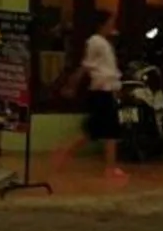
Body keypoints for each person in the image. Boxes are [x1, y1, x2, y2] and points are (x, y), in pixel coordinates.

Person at [52, 10, 128, 181]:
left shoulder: (104, 43)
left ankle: (66, 152)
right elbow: (86, 66)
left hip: (106, 91)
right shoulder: (95, 42)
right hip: (101, 91)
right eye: (110, 22)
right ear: (102, 24)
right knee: (107, 131)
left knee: (96, 130)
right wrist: (72, 85)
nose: (112, 25)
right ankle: (109, 168)